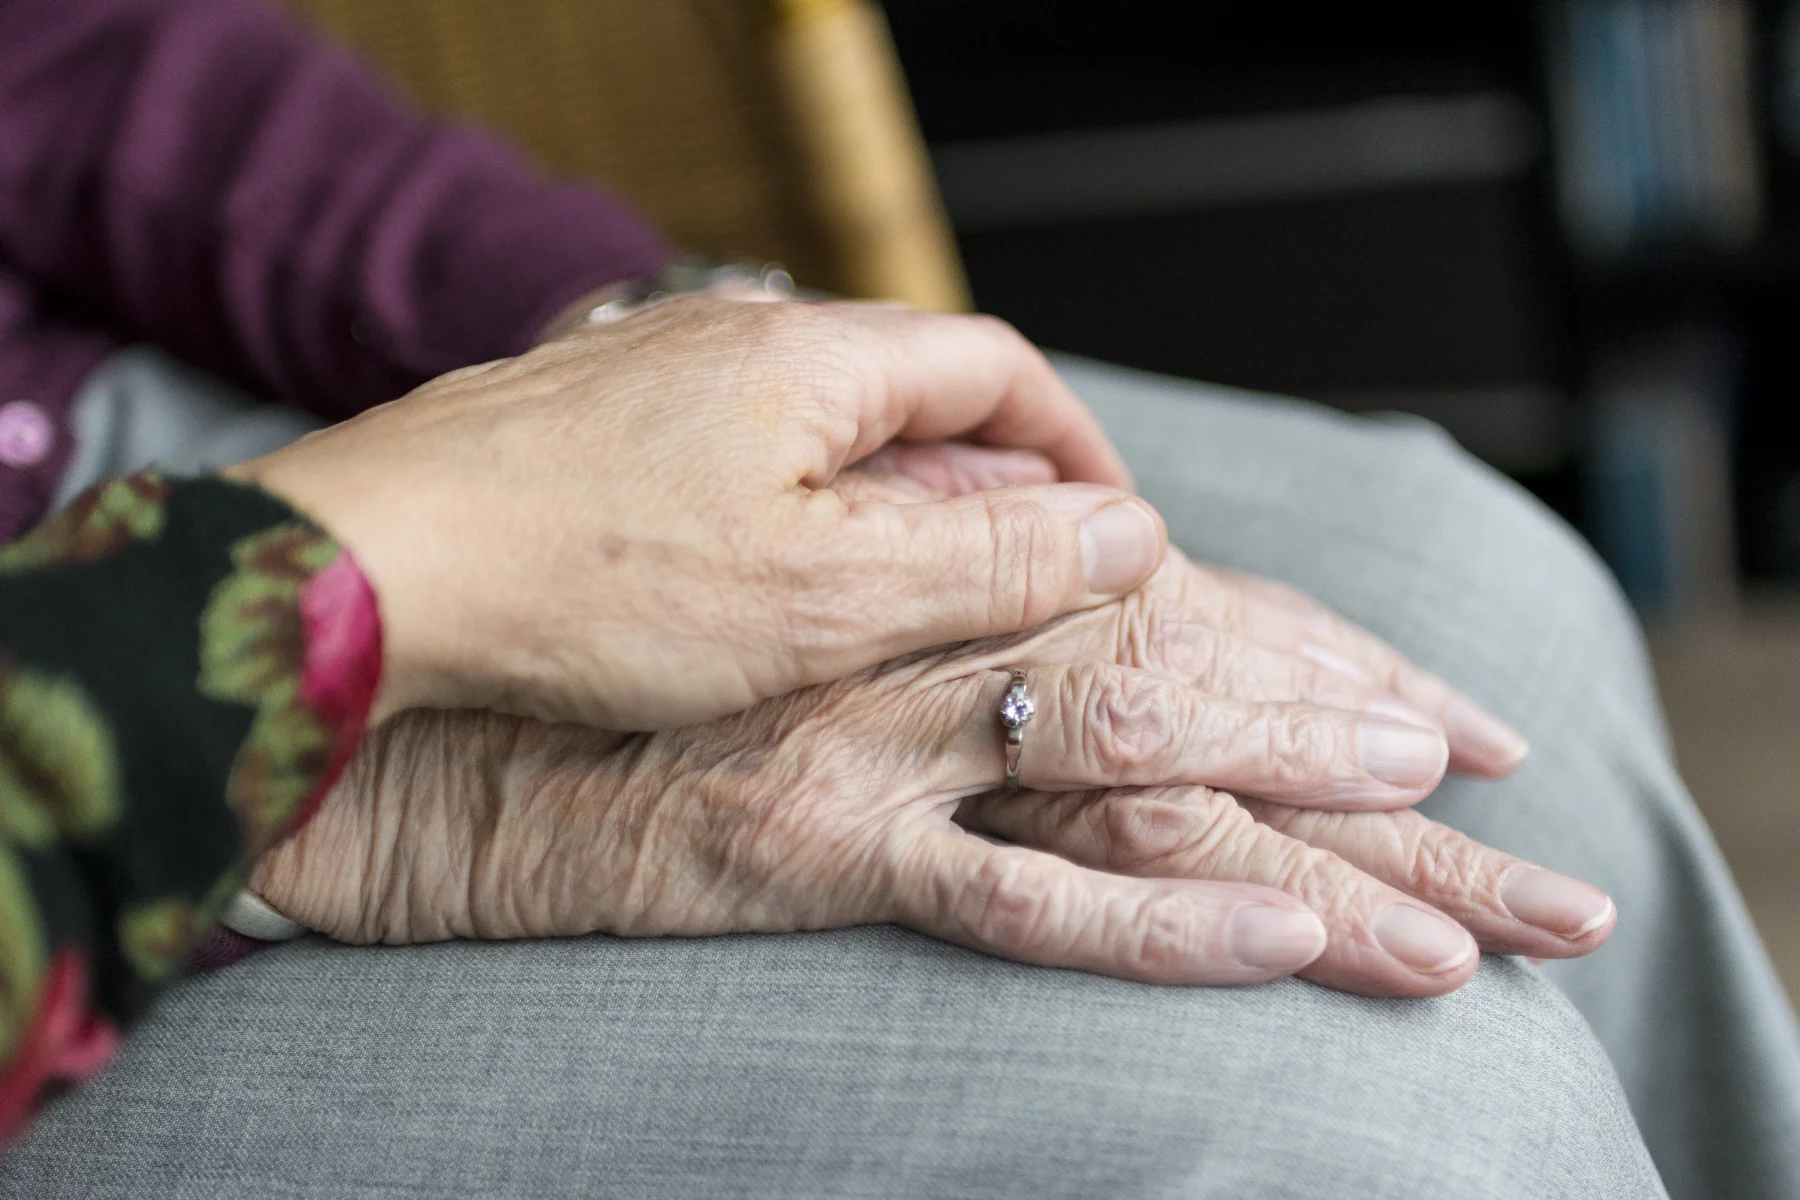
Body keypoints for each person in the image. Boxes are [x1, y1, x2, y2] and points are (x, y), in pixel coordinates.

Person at [0, 2, 1796, 1199]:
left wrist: (631, 350)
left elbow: (71, 55)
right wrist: (366, 752)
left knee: (1467, 598)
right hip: (67, 855)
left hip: (134, 412)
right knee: (1389, 1113)